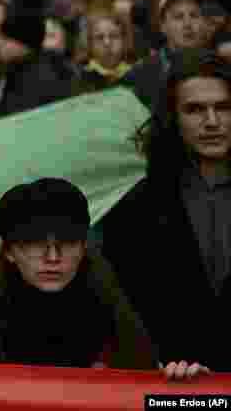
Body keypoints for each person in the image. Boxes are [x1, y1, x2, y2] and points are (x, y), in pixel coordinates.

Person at [0, 178, 157, 371]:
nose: (53, 257)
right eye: (34, 243)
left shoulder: (114, 310)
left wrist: (175, 383)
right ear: (8, 250)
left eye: (66, 242)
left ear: (84, 246)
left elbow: (145, 389)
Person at [99, 49, 231, 372]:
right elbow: (122, 315)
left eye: (224, 107)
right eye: (195, 109)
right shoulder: (135, 211)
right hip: (171, 386)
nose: (211, 122)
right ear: (173, 116)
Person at [122, 0, 207, 109]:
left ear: (203, 23)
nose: (188, 24)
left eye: (194, 16)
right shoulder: (141, 74)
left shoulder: (218, 67)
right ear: (163, 27)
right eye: (178, 17)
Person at [74, 7, 135, 94]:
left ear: (124, 41)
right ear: (89, 44)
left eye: (114, 36)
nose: (107, 43)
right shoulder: (80, 78)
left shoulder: (136, 75)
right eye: (99, 37)